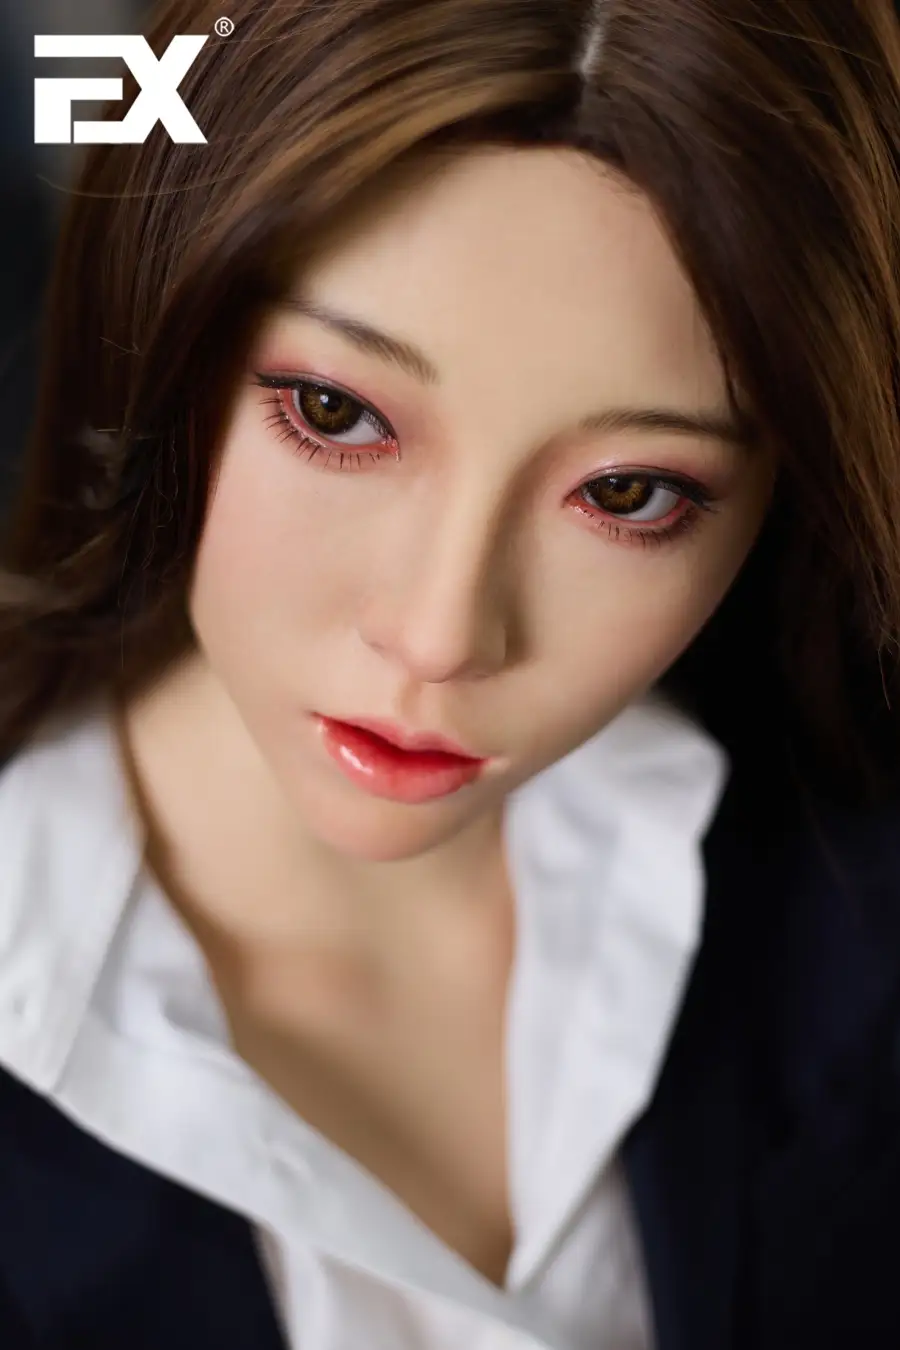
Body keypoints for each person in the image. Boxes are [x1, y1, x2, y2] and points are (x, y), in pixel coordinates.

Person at [0, 0, 898, 1346]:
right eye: (335, 413)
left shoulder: (842, 909)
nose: (439, 635)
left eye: (629, 492)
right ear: (159, 332)